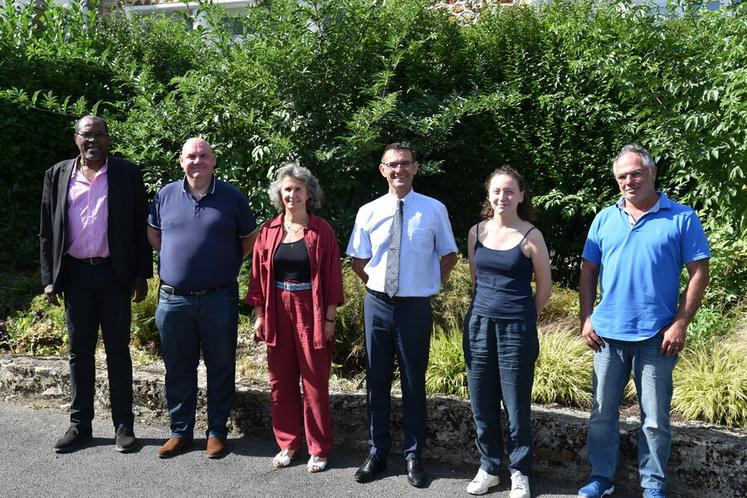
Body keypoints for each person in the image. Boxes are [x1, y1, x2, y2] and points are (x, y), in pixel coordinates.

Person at [577, 144, 710, 498]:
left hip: (657, 334)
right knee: (602, 414)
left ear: (652, 174)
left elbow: (699, 271)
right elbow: (588, 271)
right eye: (622, 176)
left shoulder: (681, 217)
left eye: (636, 173)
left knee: (654, 419)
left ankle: (653, 484)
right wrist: (586, 317)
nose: (628, 181)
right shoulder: (605, 218)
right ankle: (601, 478)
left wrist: (681, 322)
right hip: (606, 334)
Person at [347, 142, 458, 488]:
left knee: (413, 382)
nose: (399, 170)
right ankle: (377, 452)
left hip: (414, 306)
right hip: (377, 303)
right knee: (376, 380)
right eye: (392, 165)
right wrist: (378, 286)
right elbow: (358, 261)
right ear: (382, 170)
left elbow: (449, 255)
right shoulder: (368, 211)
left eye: (406, 164)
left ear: (415, 168)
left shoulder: (434, 209)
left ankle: (413, 456)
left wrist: (425, 284)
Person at [40, 115, 152, 453]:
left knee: (118, 351)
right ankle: (80, 425)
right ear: (76, 138)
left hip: (113, 274)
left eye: (99, 135)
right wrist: (48, 278)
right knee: (79, 352)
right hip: (74, 275)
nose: (94, 141)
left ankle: (123, 426)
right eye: (87, 135)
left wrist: (141, 275)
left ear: (107, 139)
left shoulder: (127, 173)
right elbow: (47, 230)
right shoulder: (57, 174)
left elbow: (138, 227)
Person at [147, 138, 257, 459]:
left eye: (203, 156)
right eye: (191, 156)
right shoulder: (165, 195)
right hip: (173, 299)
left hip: (218, 298)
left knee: (220, 365)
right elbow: (154, 235)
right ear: (181, 161)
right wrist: (174, 259)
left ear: (214, 160)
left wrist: (223, 262)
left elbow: (249, 238)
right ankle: (180, 432)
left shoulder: (231, 196)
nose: (197, 161)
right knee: (177, 367)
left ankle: (216, 431)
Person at [247, 163, 344, 473]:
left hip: (310, 309)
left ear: (308, 194)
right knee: (280, 381)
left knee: (315, 381)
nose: (292, 194)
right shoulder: (268, 230)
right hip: (277, 306)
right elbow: (257, 276)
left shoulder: (321, 231)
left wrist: (329, 319)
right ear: (280, 194)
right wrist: (259, 315)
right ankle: (288, 443)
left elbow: (332, 276)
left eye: (298, 189)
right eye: (287, 189)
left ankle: (318, 448)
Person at [463, 167, 552, 497]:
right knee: (481, 402)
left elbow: (544, 288)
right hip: (478, 325)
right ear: (489, 194)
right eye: (497, 191)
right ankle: (489, 467)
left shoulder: (532, 236)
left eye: (510, 191)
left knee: (516, 405)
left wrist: (524, 316)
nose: (503, 197)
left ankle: (519, 471)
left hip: (517, 328)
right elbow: (476, 279)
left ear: (521, 195)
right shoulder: (476, 233)